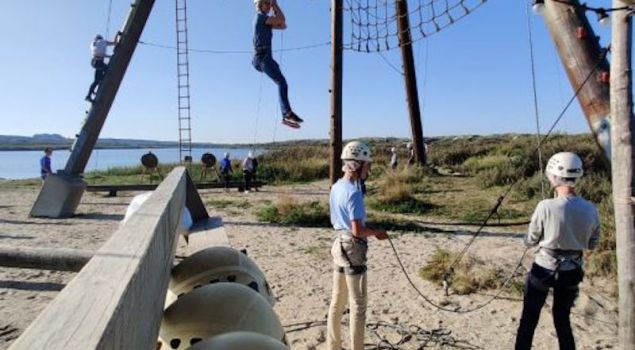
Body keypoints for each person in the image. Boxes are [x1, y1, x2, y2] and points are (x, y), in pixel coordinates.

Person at [515, 152, 600, 350]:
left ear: (552, 176)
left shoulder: (545, 206)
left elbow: (531, 240)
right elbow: (593, 244)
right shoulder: (591, 208)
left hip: (544, 269)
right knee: (562, 321)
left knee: (529, 320)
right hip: (572, 271)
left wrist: (529, 239)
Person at [327, 141, 389, 350]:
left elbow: (346, 222)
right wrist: (377, 233)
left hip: (338, 244)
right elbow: (357, 231)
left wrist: (366, 228)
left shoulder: (336, 187)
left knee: (337, 302)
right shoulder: (354, 193)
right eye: (367, 165)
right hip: (353, 248)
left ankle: (333, 346)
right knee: (358, 305)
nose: (369, 169)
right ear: (357, 165)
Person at [252, 0, 304, 128]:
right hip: (262, 57)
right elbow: (281, 19)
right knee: (281, 82)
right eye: (266, 3)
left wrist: (275, 7)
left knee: (282, 82)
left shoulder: (267, 20)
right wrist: (275, 4)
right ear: (259, 5)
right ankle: (287, 113)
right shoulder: (260, 17)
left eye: (269, 4)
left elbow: (283, 25)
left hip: (266, 57)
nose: (268, 6)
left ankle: (285, 116)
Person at [85, 34, 117, 103]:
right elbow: (114, 43)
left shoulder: (94, 43)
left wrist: (108, 56)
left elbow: (97, 52)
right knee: (108, 71)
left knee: (96, 80)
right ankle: (95, 89)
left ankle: (88, 95)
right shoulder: (102, 42)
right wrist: (117, 35)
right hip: (98, 62)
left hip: (95, 62)